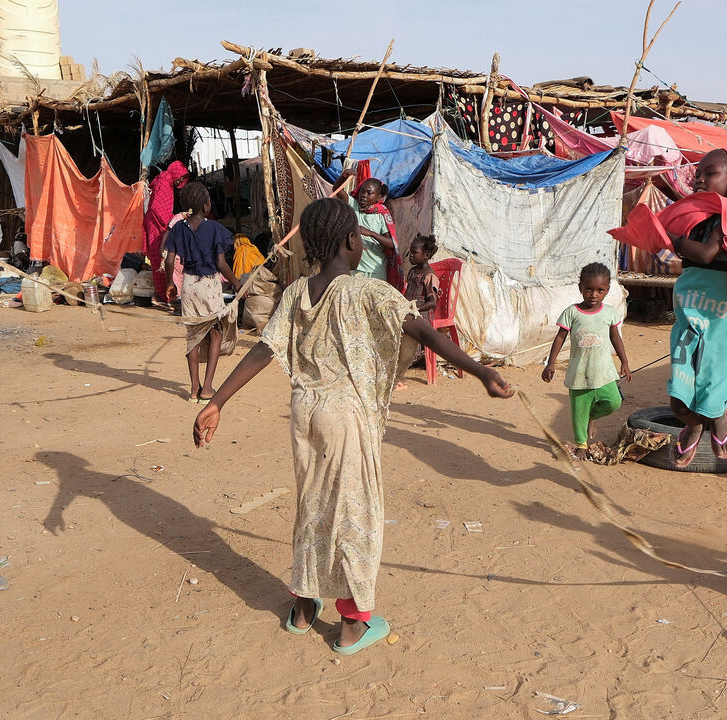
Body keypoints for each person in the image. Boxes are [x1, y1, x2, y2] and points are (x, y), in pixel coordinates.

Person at [191, 197, 512, 654]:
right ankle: (354, 624)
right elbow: (422, 331)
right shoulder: (370, 291)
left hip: (304, 414)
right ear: (351, 241)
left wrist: (217, 401)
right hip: (346, 417)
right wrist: (481, 372)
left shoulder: (297, 292)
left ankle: (303, 608)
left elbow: (265, 350)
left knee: (312, 507)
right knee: (356, 516)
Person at [612, 149, 727, 468]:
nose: (701, 179)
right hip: (689, 312)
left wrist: (667, 237)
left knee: (713, 388)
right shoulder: (691, 217)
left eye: (711, 173)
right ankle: (692, 424)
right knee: (678, 399)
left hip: (723, 317)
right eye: (698, 175)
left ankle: (717, 418)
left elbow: (706, 254)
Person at [541, 262, 631, 460]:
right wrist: (551, 363)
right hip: (579, 373)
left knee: (613, 402)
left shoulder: (609, 313)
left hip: (604, 372)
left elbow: (616, 338)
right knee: (578, 412)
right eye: (588, 289)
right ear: (580, 287)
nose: (594, 294)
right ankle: (581, 444)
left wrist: (624, 362)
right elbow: (559, 337)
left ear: (607, 291)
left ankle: (593, 416)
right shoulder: (571, 312)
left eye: (600, 290)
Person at [164, 182, 240, 402]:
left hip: (188, 285)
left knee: (193, 335)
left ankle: (193, 389)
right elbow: (221, 263)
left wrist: (170, 283)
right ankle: (207, 388)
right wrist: (236, 283)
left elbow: (169, 259)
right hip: (209, 285)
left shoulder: (178, 227)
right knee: (215, 332)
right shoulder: (214, 228)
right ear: (206, 206)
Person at [334, 170, 402, 289]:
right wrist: (343, 177)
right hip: (355, 268)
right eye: (362, 191)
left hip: (375, 270)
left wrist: (370, 233)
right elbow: (337, 190)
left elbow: (392, 244)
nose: (363, 195)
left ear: (378, 197)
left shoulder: (381, 215)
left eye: (369, 193)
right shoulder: (354, 206)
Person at [394, 234, 442, 391]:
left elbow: (432, 302)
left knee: (407, 344)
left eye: (415, 253)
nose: (411, 256)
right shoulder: (413, 272)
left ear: (426, 255)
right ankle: (395, 375)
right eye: (410, 252)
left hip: (419, 319)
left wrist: (414, 309)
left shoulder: (429, 276)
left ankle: (399, 378)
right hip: (408, 315)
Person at [142, 161, 190, 303]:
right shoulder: (164, 183)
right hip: (157, 227)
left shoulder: (165, 181)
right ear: (175, 172)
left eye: (184, 178)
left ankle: (163, 295)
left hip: (156, 224)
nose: (181, 180)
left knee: (160, 262)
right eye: (181, 176)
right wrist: (173, 219)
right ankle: (166, 296)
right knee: (161, 260)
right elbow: (158, 208)